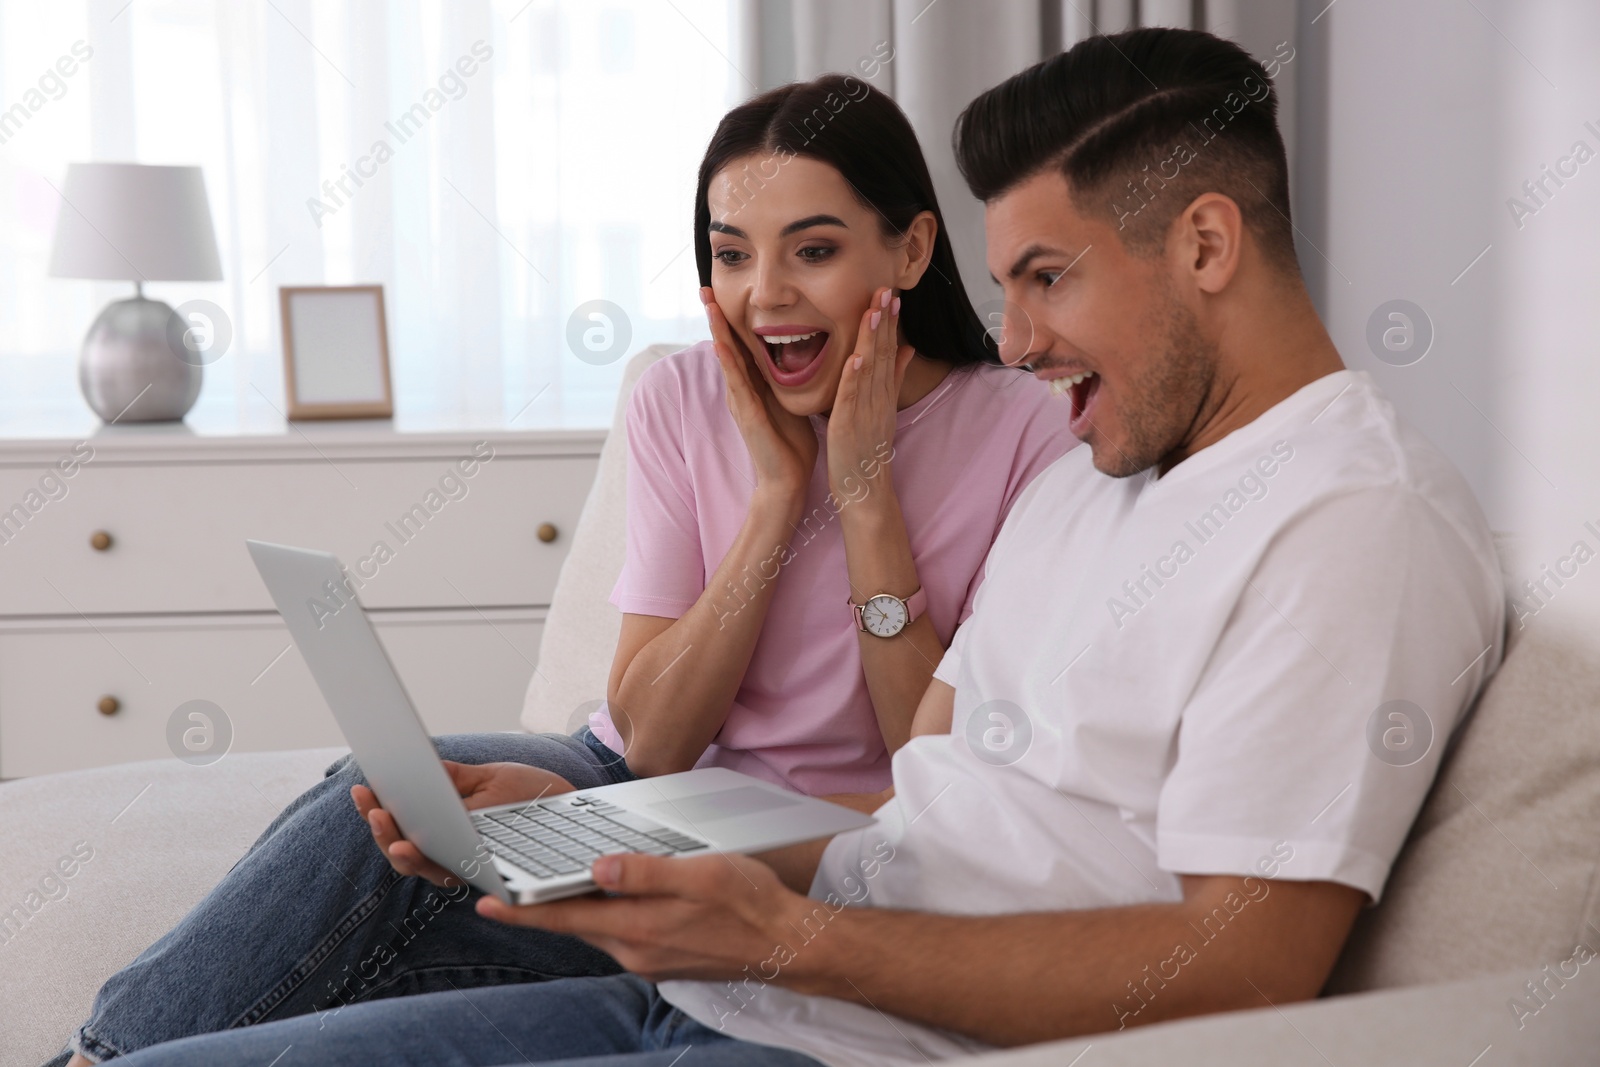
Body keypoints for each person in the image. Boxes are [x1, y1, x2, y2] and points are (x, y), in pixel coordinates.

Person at [70, 26, 1509, 1067]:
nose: (1015, 343)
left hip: (843, 1023)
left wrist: (775, 935)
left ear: (1205, 244)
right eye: (1007, 288)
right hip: (752, 975)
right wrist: (625, 841)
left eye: (1050, 281)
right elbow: (924, 797)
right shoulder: (1097, 465)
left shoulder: (1349, 521)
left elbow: (1246, 969)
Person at [54, 76, 1075, 1067]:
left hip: (837, 853)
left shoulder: (1027, 430)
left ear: (910, 245)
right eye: (731, 255)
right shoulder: (682, 396)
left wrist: (861, 500)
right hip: (654, 788)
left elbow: (926, 768)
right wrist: (775, 499)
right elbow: (658, 739)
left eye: (812, 250)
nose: (765, 295)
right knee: (382, 804)